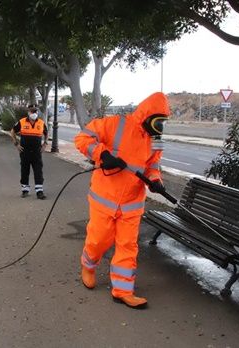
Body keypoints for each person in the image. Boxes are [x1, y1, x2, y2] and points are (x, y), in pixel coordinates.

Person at [73, 92, 170, 309]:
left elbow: (153, 166)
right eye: (158, 120)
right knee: (99, 240)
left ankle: (123, 290)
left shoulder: (156, 141)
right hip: (104, 198)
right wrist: (103, 155)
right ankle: (88, 265)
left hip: (132, 203)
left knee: (128, 245)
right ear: (147, 114)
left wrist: (155, 181)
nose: (160, 127)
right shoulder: (115, 124)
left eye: (164, 122)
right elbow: (82, 139)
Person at [10, 104, 48, 199]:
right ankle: (25, 190)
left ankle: (39, 192)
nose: (34, 113)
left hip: (36, 152)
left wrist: (45, 144)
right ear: (28, 112)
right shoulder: (22, 122)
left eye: (35, 111)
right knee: (24, 171)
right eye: (32, 111)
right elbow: (12, 131)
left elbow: (46, 133)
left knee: (38, 171)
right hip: (25, 151)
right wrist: (16, 144)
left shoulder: (41, 123)